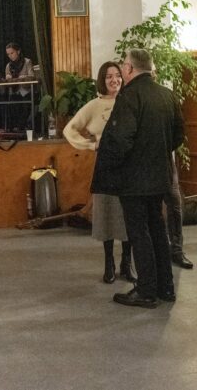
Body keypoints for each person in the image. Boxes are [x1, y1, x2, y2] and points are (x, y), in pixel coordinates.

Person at [92, 48, 185, 308]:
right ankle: (165, 287)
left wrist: (111, 166)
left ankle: (146, 290)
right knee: (158, 230)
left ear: (130, 68)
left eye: (124, 65)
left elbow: (120, 138)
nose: (122, 69)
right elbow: (178, 135)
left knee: (139, 233)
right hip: (160, 176)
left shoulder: (129, 96)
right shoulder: (167, 95)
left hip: (134, 179)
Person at [63, 61, 134, 284]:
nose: (114, 80)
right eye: (109, 76)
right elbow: (69, 129)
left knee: (128, 215)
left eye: (117, 75)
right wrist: (90, 145)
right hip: (105, 167)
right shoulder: (94, 105)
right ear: (102, 80)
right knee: (106, 215)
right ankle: (109, 264)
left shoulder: (130, 101)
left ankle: (126, 263)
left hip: (129, 167)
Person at [4, 42, 35, 131]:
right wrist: (8, 78)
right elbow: (7, 81)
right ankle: (14, 129)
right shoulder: (8, 66)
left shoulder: (27, 62)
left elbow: (32, 76)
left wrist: (24, 77)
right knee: (11, 104)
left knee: (24, 104)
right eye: (8, 54)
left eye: (12, 53)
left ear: (18, 51)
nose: (10, 56)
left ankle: (23, 128)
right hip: (15, 91)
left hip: (26, 90)